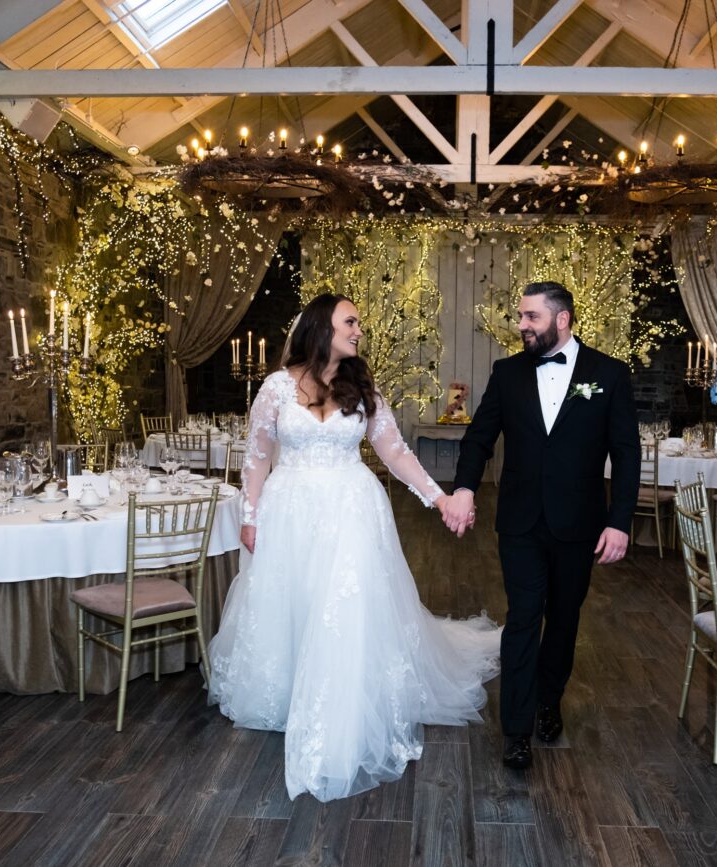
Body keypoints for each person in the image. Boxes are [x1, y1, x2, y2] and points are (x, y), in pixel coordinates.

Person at [207, 293, 502, 802]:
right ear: (323, 327)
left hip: (350, 510)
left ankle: (340, 695)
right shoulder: (276, 387)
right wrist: (250, 515)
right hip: (290, 510)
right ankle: (289, 690)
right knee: (292, 598)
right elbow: (256, 457)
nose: (359, 330)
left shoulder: (362, 387)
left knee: (341, 603)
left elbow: (395, 453)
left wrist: (441, 499)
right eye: (351, 322)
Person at [442, 281, 639, 770]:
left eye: (531, 317)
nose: (522, 325)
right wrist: (464, 488)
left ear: (563, 318)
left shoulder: (609, 375)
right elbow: (478, 438)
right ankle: (516, 728)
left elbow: (627, 454)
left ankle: (550, 700)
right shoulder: (507, 373)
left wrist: (619, 522)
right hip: (521, 521)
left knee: (565, 617)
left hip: (580, 522)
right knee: (525, 615)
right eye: (521, 316)